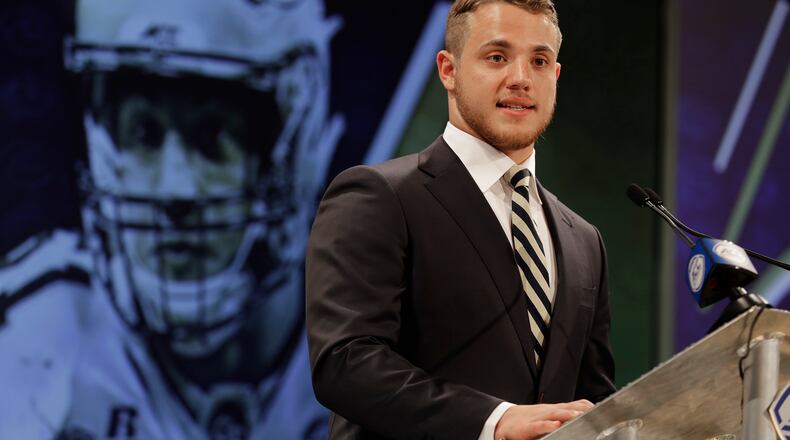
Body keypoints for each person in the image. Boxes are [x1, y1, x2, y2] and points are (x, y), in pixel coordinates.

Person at [0, 0, 343, 438]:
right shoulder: (38, 331)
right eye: (144, 133)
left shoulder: (384, 337)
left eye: (212, 136)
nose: (174, 191)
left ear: (286, 151)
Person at [305, 0, 616, 439]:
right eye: (497, 57)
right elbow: (346, 363)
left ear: (556, 76)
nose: (521, 78)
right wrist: (494, 421)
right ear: (448, 70)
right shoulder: (379, 197)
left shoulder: (584, 240)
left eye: (539, 61)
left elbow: (594, 400)